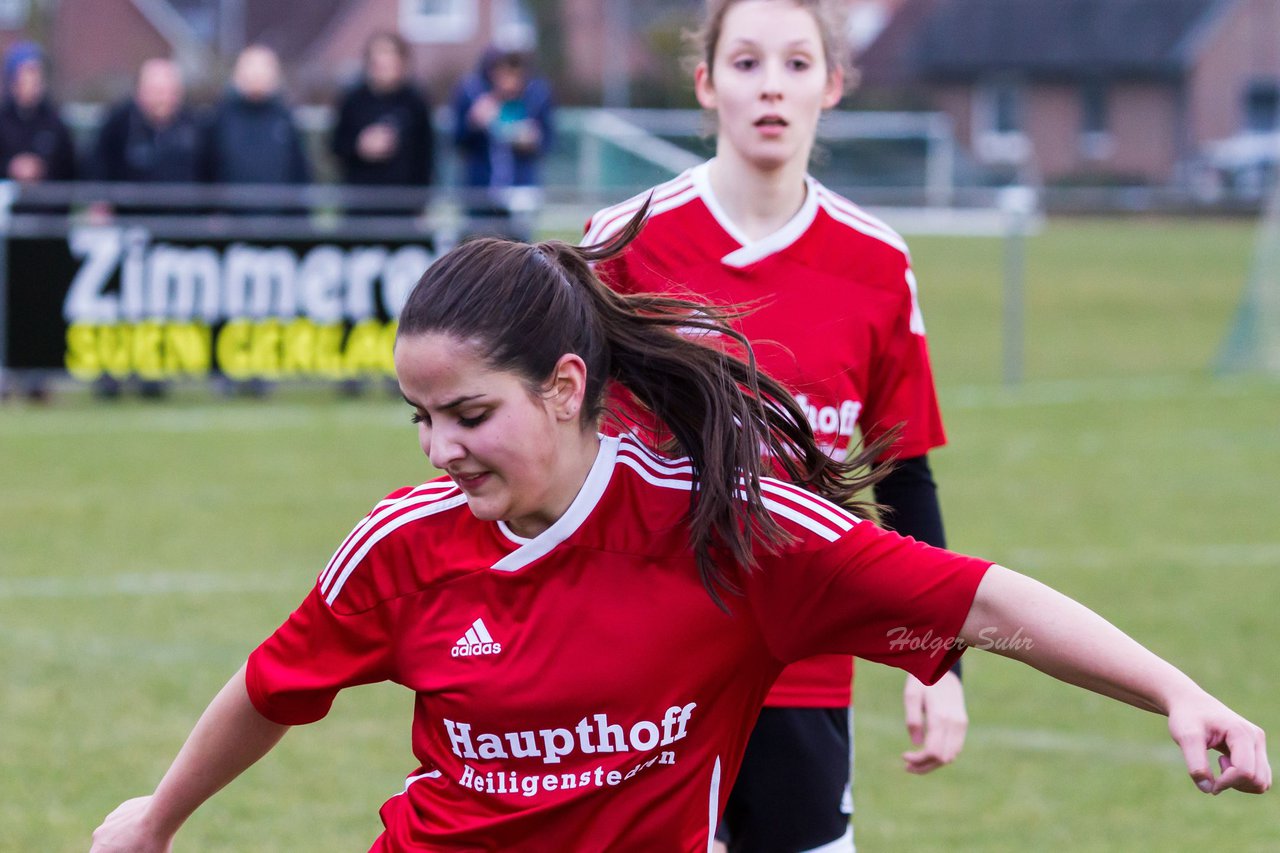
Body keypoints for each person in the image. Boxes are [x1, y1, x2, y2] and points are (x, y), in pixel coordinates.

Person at [89, 212, 1269, 852]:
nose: (436, 450)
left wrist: (1173, 691)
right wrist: (157, 818)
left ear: (561, 386)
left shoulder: (726, 533)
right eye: (418, 418)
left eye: (467, 415)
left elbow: (978, 601)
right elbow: (270, 688)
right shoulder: (404, 545)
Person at [585, 2, 956, 848]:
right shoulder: (624, 245)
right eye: (746, 63)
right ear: (707, 83)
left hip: (805, 668)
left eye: (797, 64)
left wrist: (939, 659)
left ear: (832, 84)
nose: (771, 88)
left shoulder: (877, 262)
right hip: (650, 667)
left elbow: (904, 476)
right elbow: (573, 464)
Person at [85, 57, 205, 399]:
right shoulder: (118, 122)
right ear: (140, 91)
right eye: (155, 89)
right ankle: (110, 374)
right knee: (119, 308)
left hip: (173, 237)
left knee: (161, 309)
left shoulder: (192, 126)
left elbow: (208, 172)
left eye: (168, 90)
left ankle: (154, 374)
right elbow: (95, 164)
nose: (161, 97)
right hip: (124, 236)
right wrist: (99, 203)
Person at [201, 43, 310, 396]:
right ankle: (226, 372)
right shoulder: (220, 117)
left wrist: (299, 221)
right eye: (250, 69)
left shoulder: (285, 118)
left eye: (264, 70)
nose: (257, 77)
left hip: (275, 229)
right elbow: (205, 169)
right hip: (230, 229)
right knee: (229, 304)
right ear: (237, 74)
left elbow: (300, 173)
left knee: (269, 306)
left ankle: (263, 370)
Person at [0, 40, 76, 402]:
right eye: (23, 74)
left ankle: (37, 378)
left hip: (46, 232)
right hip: (6, 233)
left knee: (40, 306)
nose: (30, 82)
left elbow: (73, 173)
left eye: (36, 74)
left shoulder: (57, 122)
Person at [450, 37, 553, 239]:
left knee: (520, 253)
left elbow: (547, 141)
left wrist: (532, 140)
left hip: (520, 188)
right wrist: (473, 122)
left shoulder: (537, 94)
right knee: (478, 251)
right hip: (480, 189)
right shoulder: (471, 92)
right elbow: (456, 141)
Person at [330, 30, 435, 197]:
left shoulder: (415, 103)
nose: (383, 62)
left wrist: (422, 201)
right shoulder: (353, 101)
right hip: (361, 200)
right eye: (378, 56)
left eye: (389, 55)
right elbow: (336, 146)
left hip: (403, 202)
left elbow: (426, 156)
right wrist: (360, 146)